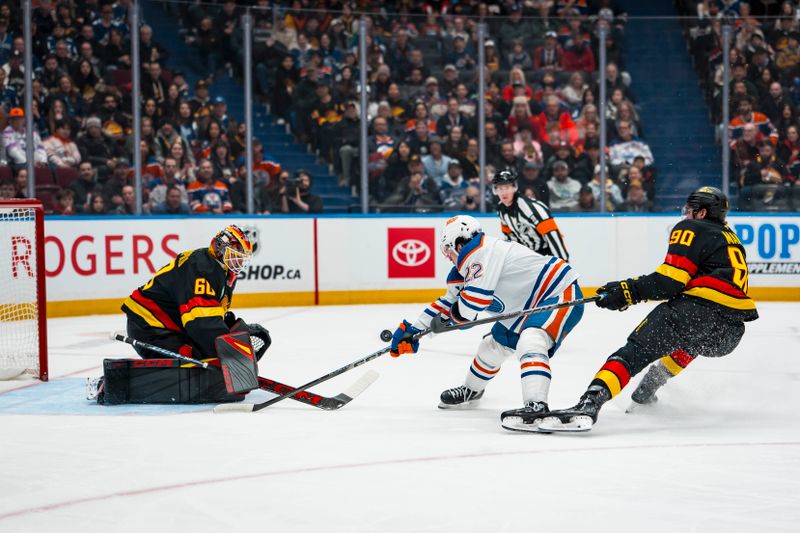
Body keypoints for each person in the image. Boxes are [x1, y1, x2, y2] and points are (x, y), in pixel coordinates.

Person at [515, 187, 758, 433]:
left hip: (697, 311)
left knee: (633, 353)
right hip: (730, 333)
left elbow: (668, 283)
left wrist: (626, 291)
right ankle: (648, 388)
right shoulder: (731, 239)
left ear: (702, 212)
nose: (686, 215)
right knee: (691, 341)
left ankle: (589, 404)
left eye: (690, 210)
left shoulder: (691, 228)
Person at [389, 215, 585, 432]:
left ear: (460, 243)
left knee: (531, 341)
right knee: (491, 347)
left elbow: (471, 305)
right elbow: (448, 302)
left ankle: (536, 406)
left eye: (448, 248)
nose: (446, 255)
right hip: (524, 308)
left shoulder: (480, 251)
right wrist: (415, 330)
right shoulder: (465, 267)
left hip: (558, 294)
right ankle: (471, 391)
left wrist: (450, 319)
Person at [89, 226, 271, 404]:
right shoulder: (203, 268)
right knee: (197, 365)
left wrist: (231, 334)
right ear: (220, 246)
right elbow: (201, 323)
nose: (238, 262)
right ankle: (112, 382)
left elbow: (210, 316)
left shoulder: (218, 268)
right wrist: (229, 354)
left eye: (241, 258)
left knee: (211, 363)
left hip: (168, 325)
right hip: (151, 326)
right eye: (235, 254)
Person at [492, 169, 569, 261]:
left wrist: (563, 262)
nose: (504, 192)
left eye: (507, 187)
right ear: (495, 190)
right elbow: (509, 236)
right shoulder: (501, 209)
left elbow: (552, 234)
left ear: (514, 188)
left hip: (546, 256)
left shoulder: (531, 209)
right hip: (527, 256)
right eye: (500, 188)